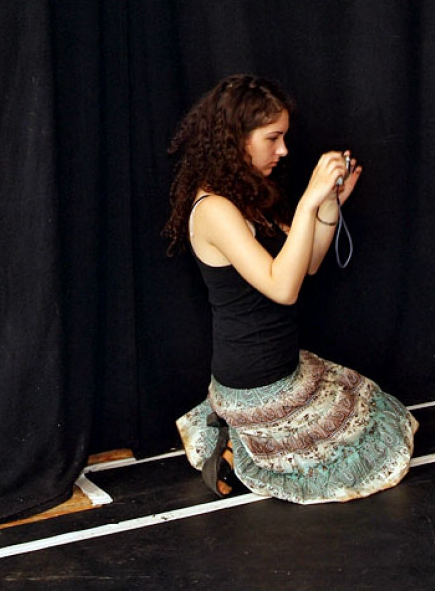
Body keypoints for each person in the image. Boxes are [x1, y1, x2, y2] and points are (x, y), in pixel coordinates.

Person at [164, 74, 416, 502]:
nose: (283, 150)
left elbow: (308, 264)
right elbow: (282, 289)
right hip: (254, 383)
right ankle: (234, 442)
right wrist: (305, 202)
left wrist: (328, 205)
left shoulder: (247, 194)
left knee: (378, 414)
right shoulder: (215, 209)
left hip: (285, 368)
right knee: (363, 453)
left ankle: (237, 439)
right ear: (236, 139)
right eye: (272, 138)